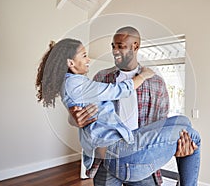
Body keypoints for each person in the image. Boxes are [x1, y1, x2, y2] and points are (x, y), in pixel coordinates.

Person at [36, 37, 201, 185]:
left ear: (135, 46)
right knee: (193, 135)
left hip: (135, 146)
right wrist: (143, 76)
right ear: (70, 63)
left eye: (120, 46)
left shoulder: (156, 83)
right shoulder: (100, 78)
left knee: (184, 123)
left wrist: (175, 149)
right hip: (113, 153)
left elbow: (161, 124)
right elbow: (95, 103)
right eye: (113, 45)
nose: (115, 50)